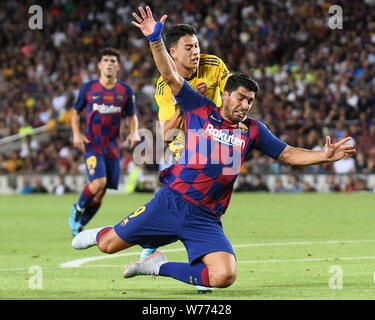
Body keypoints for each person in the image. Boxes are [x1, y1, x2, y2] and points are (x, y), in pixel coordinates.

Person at [71, 7, 356, 290]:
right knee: (108, 246)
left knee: (224, 276)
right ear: (226, 95)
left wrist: (324, 156)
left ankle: (157, 265)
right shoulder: (199, 108)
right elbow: (170, 76)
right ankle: (102, 233)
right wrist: (154, 39)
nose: (245, 105)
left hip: (205, 217)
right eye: (241, 98)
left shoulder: (253, 131)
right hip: (171, 202)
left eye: (250, 101)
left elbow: (289, 154)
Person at [69, 47, 139, 236]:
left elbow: (132, 116)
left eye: (113, 61)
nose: (109, 63)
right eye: (106, 60)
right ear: (100, 65)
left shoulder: (125, 90)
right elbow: (75, 112)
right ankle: (77, 208)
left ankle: (80, 224)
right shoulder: (89, 88)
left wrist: (134, 132)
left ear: (118, 66)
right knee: (98, 182)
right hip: (92, 143)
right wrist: (76, 134)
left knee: (101, 191)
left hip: (113, 146)